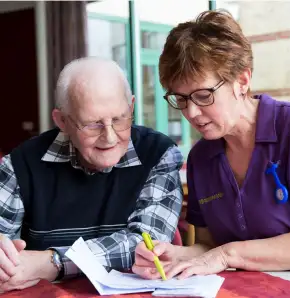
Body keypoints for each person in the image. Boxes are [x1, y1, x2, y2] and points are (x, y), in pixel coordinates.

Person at [132, 10, 290, 280]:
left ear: (242, 81)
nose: (191, 113)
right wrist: (175, 254)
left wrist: (227, 255)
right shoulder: (202, 157)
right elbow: (209, 247)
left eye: (202, 96)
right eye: (181, 99)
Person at [0, 57, 184, 292]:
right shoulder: (20, 164)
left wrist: (52, 262)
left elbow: (145, 244)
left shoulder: (158, 154)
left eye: (119, 119)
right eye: (93, 124)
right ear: (62, 121)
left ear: (132, 107)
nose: (109, 137)